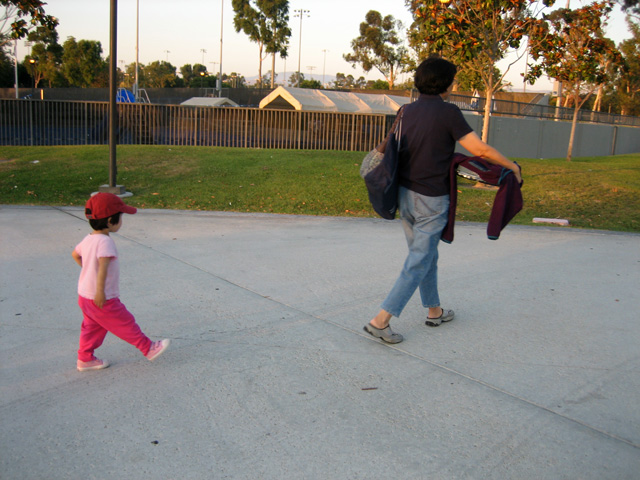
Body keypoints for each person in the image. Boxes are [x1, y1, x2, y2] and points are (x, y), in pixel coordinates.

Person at [364, 57, 522, 344]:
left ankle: (434, 310)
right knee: (418, 260)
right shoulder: (448, 113)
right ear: (446, 84)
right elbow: (479, 149)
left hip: (405, 195)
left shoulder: (406, 111)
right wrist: (511, 165)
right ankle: (380, 320)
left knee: (426, 256)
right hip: (431, 201)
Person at [72, 192, 170, 371]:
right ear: (110, 221)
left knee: (91, 328)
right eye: (120, 217)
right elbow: (103, 267)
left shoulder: (88, 239)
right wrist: (100, 291)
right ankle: (148, 348)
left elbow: (75, 254)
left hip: (84, 296)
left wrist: (87, 272)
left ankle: (85, 359)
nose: (121, 221)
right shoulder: (105, 242)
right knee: (124, 322)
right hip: (102, 298)